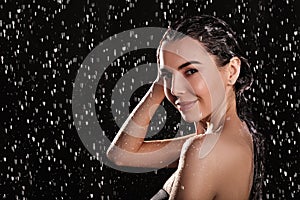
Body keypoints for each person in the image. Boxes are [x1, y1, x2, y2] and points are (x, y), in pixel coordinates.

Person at [106, 15, 264, 200]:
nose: (175, 89)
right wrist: (160, 83)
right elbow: (121, 155)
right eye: (168, 76)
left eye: (190, 71)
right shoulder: (233, 137)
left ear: (232, 71)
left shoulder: (204, 152)